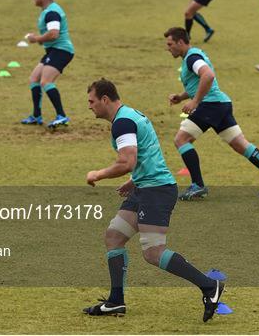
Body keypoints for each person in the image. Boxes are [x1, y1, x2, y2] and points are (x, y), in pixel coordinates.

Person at [83, 78, 224, 322]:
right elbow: (145, 155)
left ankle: (209, 286)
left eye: (92, 101)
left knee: (153, 253)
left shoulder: (123, 122)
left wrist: (98, 174)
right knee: (114, 236)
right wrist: (135, 179)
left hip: (156, 191)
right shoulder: (128, 115)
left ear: (105, 99)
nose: (90, 106)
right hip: (145, 187)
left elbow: (127, 161)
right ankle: (116, 301)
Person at [164, 27, 259, 200]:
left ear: (181, 42)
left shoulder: (192, 58)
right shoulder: (193, 55)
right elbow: (198, 81)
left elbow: (208, 76)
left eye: (170, 44)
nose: (168, 48)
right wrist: (182, 97)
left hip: (210, 105)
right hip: (220, 104)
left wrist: (195, 101)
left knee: (181, 140)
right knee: (240, 144)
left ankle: (197, 185)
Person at [21, 0, 74, 129]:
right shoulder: (47, 11)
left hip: (62, 50)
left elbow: (54, 33)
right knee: (34, 78)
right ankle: (36, 116)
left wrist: (36, 38)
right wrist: (39, 39)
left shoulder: (52, 12)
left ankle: (62, 116)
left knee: (45, 81)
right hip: (53, 50)